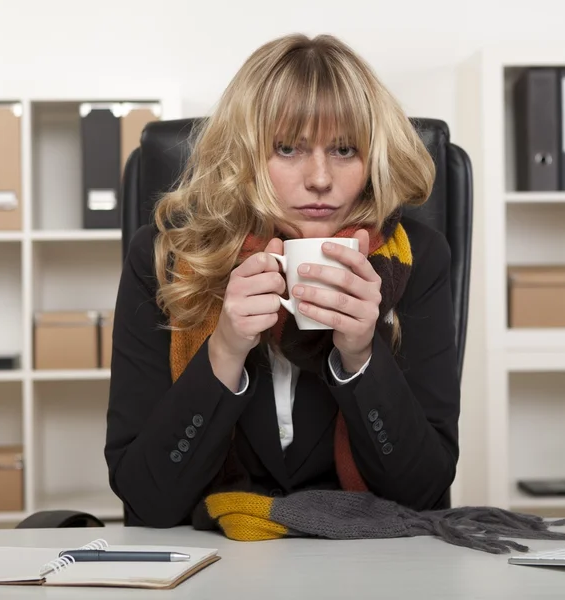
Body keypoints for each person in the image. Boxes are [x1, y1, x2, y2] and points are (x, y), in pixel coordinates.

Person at [104, 33, 461, 531]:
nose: (319, 178)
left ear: (372, 156)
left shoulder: (416, 259)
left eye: (344, 149)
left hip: (366, 560)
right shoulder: (165, 258)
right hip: (216, 563)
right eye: (288, 148)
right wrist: (224, 350)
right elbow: (147, 500)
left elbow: (424, 494)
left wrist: (361, 356)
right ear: (246, 154)